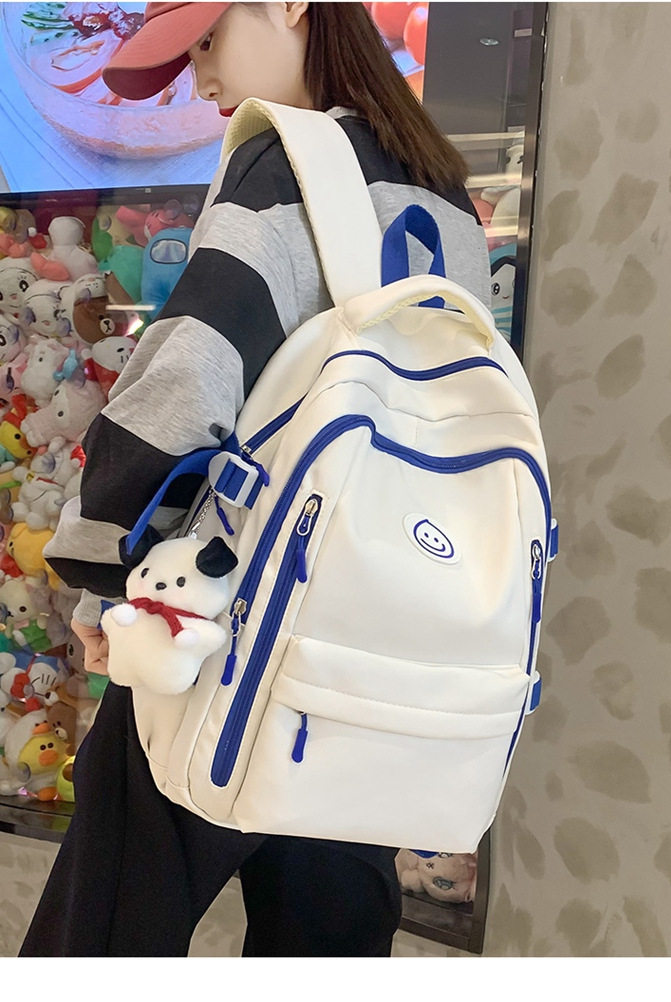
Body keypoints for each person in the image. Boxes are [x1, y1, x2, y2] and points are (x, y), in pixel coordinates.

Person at [20, 2, 491, 957]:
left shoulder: (287, 162)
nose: (201, 79)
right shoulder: (442, 188)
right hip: (369, 640)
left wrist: (106, 571)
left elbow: (188, 381)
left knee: (107, 930)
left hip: (230, 621)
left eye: (206, 40)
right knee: (328, 938)